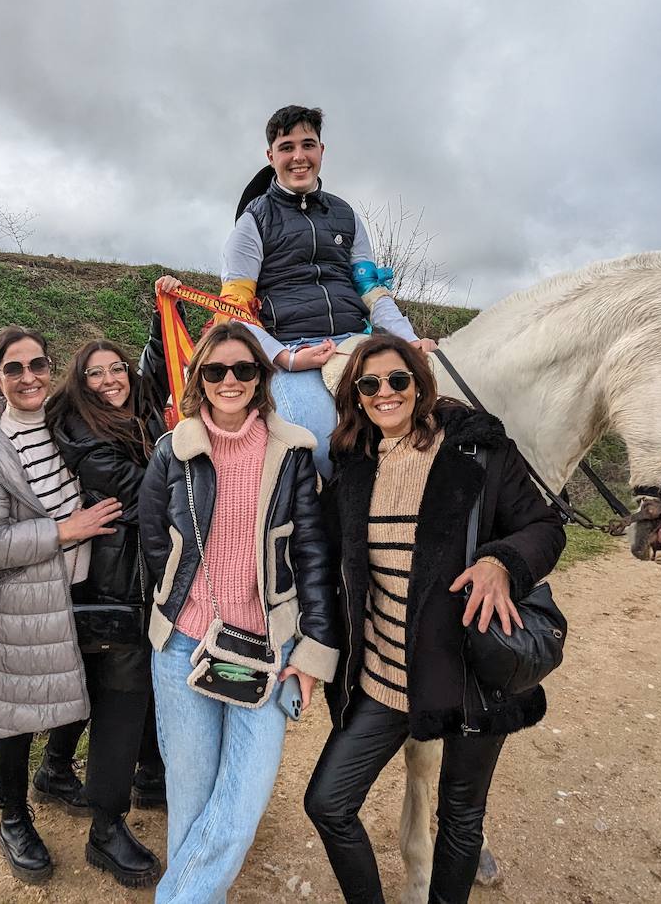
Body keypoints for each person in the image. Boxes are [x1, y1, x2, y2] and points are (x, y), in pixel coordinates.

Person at [305, 334, 566, 904]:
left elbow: (545, 527)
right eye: (368, 385)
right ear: (357, 396)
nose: (384, 393)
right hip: (383, 679)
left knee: (460, 819)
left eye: (397, 379)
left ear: (420, 384)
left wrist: (503, 561)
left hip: (468, 676)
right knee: (327, 803)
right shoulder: (354, 465)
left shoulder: (478, 449)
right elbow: (321, 561)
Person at [139, 321, 339, 903]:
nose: (230, 380)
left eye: (244, 369)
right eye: (216, 370)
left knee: (239, 807)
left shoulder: (293, 451)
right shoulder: (173, 450)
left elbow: (312, 557)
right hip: (184, 646)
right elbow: (154, 541)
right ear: (199, 378)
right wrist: (186, 605)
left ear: (261, 377)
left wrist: (311, 650)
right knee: (191, 799)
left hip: (268, 648)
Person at [0, 323, 163, 888]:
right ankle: (13, 818)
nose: (28, 377)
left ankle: (56, 776)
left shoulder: (64, 418)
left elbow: (140, 383)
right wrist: (65, 530)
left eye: (37, 365)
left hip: (80, 587)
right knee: (15, 715)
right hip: (19, 598)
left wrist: (159, 318)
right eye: (13, 368)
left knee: (78, 691)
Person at [219, 104, 435, 477]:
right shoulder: (252, 221)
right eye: (287, 147)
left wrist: (408, 339)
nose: (298, 157)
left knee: (420, 424)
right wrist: (286, 359)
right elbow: (236, 311)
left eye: (308, 145)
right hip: (292, 348)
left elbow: (371, 292)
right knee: (320, 447)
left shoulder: (346, 215)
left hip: (356, 343)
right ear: (271, 156)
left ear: (322, 150)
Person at [45, 277, 181, 815]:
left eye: (116, 369)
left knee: (145, 667)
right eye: (96, 374)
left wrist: (160, 310)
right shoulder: (80, 428)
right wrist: (186, 473)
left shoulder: (140, 405)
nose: (110, 381)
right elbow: (139, 485)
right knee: (115, 679)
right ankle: (83, 787)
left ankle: (150, 774)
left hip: (146, 555)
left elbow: (161, 364)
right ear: (82, 383)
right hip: (115, 567)